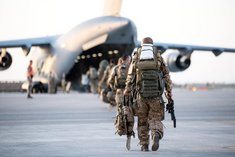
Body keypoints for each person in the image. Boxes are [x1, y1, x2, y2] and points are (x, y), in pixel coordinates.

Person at [124, 37, 173, 151]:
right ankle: (156, 133)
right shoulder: (158, 57)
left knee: (142, 120)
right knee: (155, 118)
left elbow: (130, 77)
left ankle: (144, 144)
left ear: (142, 45)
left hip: (140, 96)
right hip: (156, 96)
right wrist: (169, 92)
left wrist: (127, 90)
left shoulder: (136, 57)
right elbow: (166, 76)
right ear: (152, 45)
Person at [108, 55, 134, 150]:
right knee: (129, 114)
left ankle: (120, 129)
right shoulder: (132, 68)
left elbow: (110, 81)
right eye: (129, 60)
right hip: (130, 94)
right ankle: (129, 136)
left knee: (120, 112)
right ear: (127, 60)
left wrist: (116, 90)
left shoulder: (115, 68)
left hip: (119, 94)